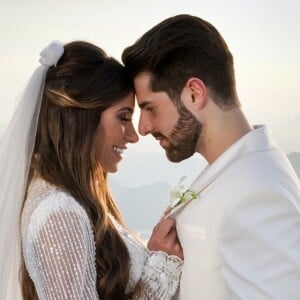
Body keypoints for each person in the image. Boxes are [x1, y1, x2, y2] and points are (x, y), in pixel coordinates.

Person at [122, 14, 300, 299]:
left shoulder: (259, 194)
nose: (143, 127)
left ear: (194, 93)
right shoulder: (234, 170)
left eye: (150, 108)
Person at [0, 41, 183, 300]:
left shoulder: (65, 199)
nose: (133, 135)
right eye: (123, 117)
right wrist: (161, 272)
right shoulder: (59, 213)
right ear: (81, 119)